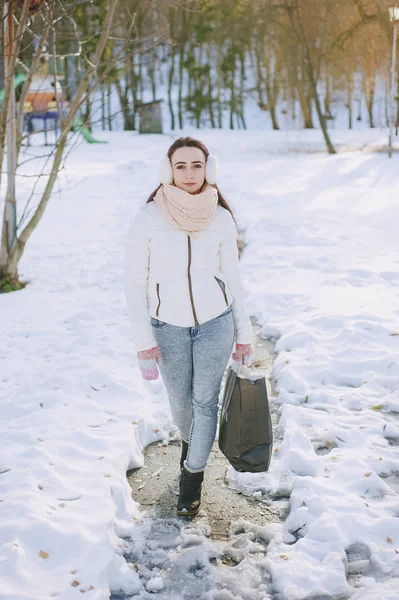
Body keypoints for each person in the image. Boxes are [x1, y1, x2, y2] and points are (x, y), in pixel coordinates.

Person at [124, 137, 254, 517]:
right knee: (181, 405)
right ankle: (192, 448)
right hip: (167, 328)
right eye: (181, 166)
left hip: (216, 324)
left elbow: (233, 278)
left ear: (208, 168)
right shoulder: (148, 218)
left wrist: (244, 333)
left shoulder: (220, 217)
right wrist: (143, 341)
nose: (189, 173)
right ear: (168, 169)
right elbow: (134, 284)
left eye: (197, 165)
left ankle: (191, 479)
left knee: (204, 402)